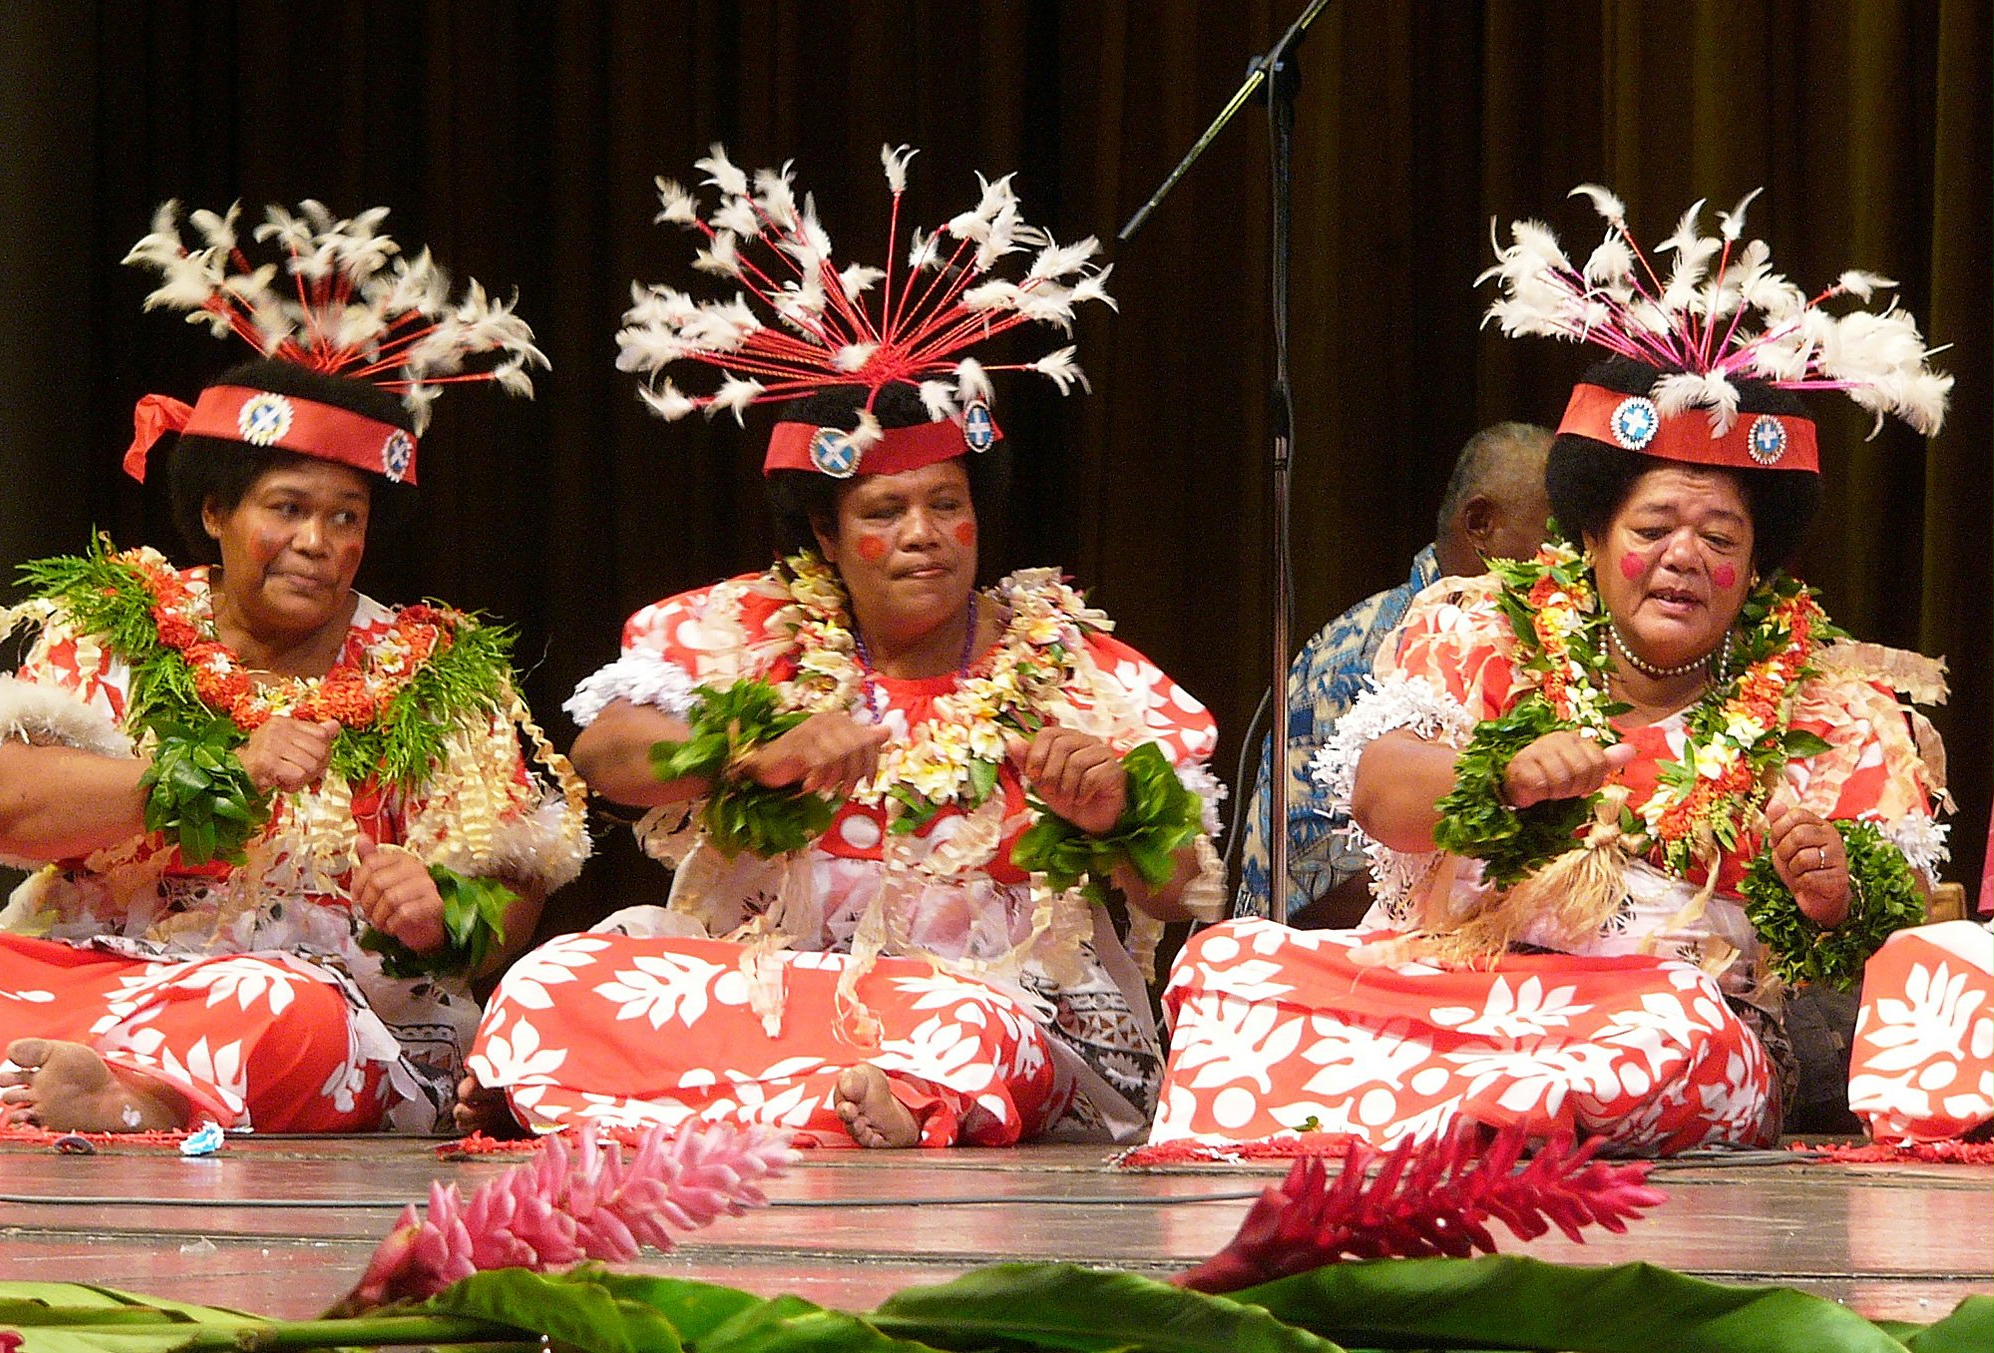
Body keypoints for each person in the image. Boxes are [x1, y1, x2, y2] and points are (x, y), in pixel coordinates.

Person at [1149, 187, 1951, 1157]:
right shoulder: (1482, 628)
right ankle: (1471, 1112)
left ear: (1758, 566)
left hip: (1678, 1019)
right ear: (1594, 538)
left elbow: (1903, 944)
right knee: (1235, 963)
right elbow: (1381, 792)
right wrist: (1504, 776)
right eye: (1654, 529)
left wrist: (1831, 893)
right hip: (1462, 994)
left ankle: (1440, 1118)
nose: (1685, 557)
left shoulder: (1836, 705)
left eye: (1719, 537)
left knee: (1671, 1038)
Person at [467, 145, 1224, 1148]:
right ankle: (794, 1102)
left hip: (985, 993)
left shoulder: (1075, 665)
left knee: (964, 1028)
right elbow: (604, 759)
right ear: (825, 535)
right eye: (885, 511)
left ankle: (842, 1103)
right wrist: (749, 753)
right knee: (562, 975)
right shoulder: (746, 629)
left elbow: (1188, 888)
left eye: (946, 507)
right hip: (763, 985)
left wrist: (1120, 811)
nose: (921, 535)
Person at [0, 202, 587, 1135]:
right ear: (217, 511)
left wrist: (443, 914)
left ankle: (145, 1099)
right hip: (98, 975)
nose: (317, 542)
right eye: (288, 508)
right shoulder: (119, 624)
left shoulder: (428, 663)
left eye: (347, 517)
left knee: (282, 1011)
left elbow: (518, 887)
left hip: (314, 1002)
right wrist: (212, 775)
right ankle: (93, 1075)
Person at [1234, 422, 1552, 926]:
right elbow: (1302, 894)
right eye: (1556, 535)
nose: (1572, 560)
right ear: (1481, 524)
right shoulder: (1359, 655)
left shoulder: (1546, 644)